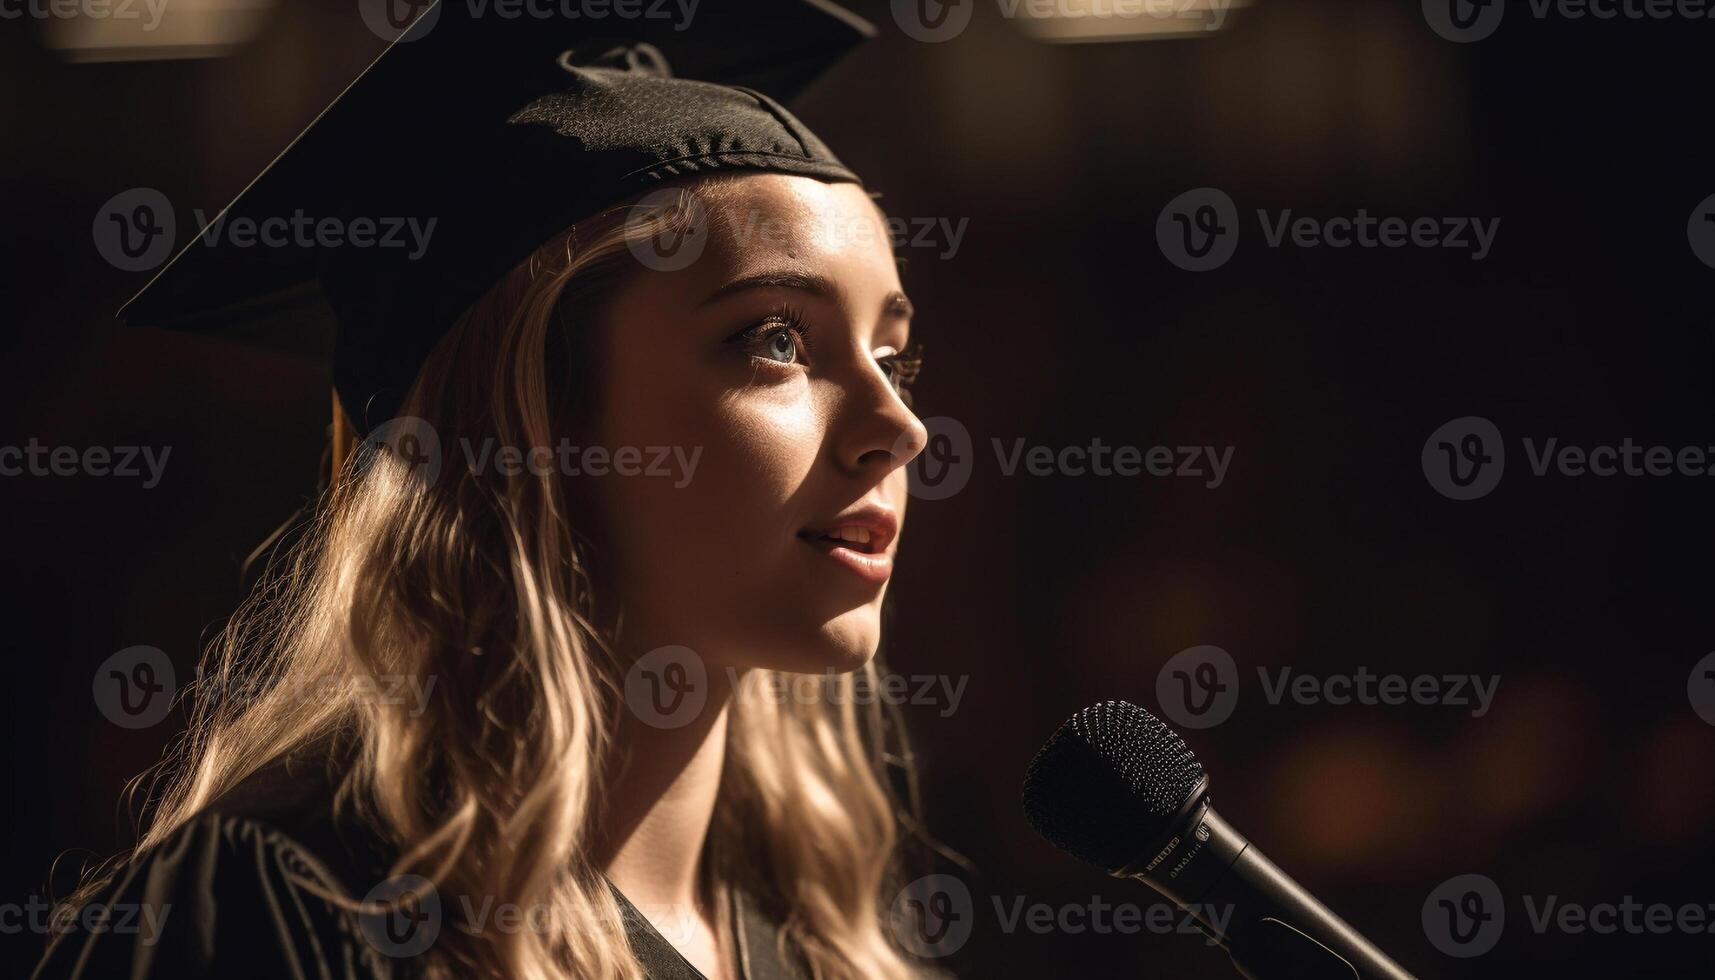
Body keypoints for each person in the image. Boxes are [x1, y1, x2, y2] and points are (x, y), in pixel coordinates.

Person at [35, 5, 939, 978]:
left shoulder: (820, 932)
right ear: (528, 423)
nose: (900, 427)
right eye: (777, 340)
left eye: (892, 355)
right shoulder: (280, 915)